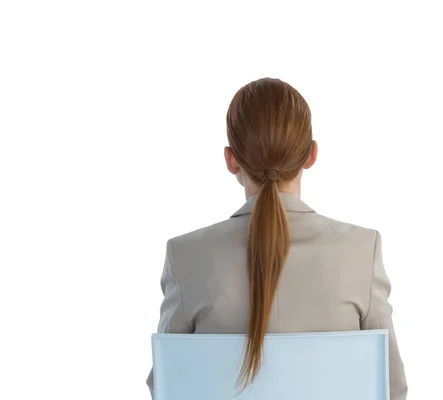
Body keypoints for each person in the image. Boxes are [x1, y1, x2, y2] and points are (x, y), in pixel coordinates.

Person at [146, 77, 408, 399]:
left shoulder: (185, 256)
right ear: (311, 155)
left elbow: (167, 388)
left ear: (231, 160)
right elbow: (391, 388)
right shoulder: (361, 250)